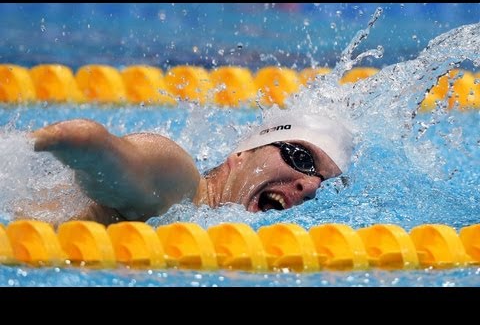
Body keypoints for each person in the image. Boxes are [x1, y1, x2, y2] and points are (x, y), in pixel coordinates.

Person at [27, 113, 353, 225]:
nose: (310, 186)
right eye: (301, 157)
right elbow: (90, 142)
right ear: (241, 154)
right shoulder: (181, 185)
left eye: (323, 182)